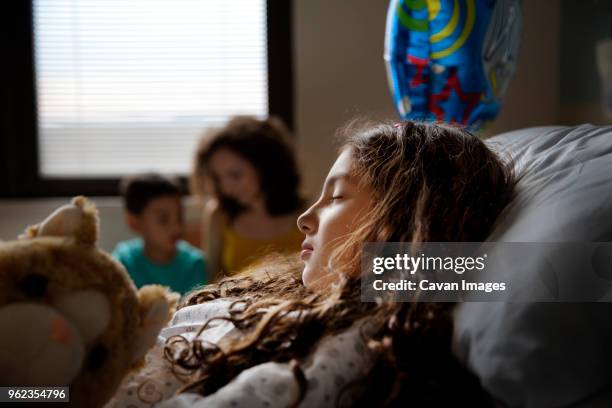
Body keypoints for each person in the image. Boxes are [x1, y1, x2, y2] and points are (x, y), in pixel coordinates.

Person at [109, 120, 515, 407]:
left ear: (399, 224)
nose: (307, 217)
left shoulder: (353, 345)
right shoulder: (289, 289)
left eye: (336, 197)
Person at [191, 116, 305, 281]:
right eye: (218, 178)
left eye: (235, 175)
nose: (226, 188)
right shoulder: (219, 215)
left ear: (265, 165)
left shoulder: (306, 211)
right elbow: (211, 280)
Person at [112, 173, 207, 295]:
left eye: (180, 217)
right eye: (163, 219)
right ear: (134, 222)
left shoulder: (195, 264)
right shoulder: (124, 261)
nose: (176, 227)